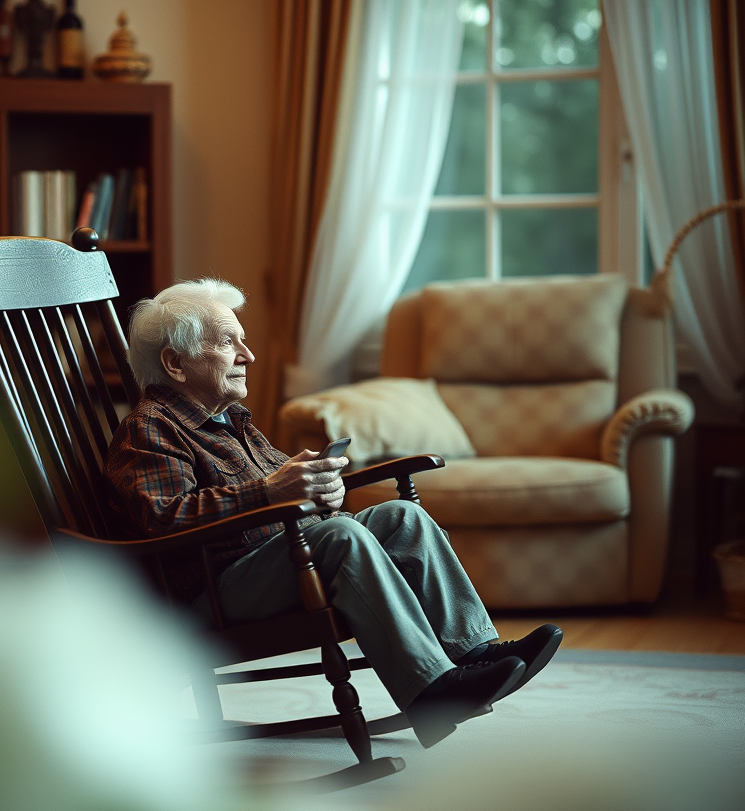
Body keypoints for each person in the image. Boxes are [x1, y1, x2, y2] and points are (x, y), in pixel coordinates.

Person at [105, 278, 562, 748]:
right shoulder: (150, 428)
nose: (248, 355)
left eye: (244, 340)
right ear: (175, 363)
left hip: (274, 560)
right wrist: (267, 493)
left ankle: (473, 653)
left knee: (403, 518)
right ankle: (430, 690)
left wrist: (320, 485)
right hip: (213, 590)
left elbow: (284, 488)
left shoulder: (232, 421)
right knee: (341, 536)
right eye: (228, 342)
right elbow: (162, 519)